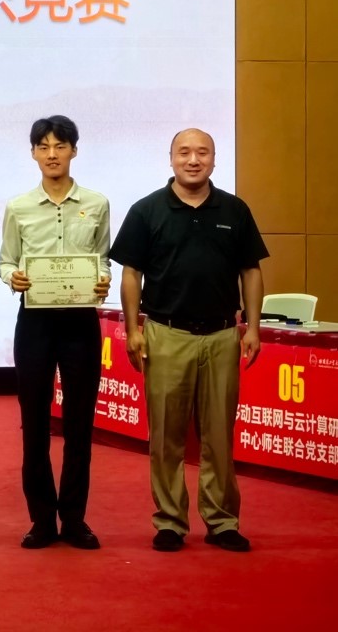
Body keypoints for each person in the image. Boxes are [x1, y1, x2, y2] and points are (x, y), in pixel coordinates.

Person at [109, 128, 267, 553]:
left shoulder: (234, 210)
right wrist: (133, 329)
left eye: (202, 152)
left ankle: (222, 521)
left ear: (214, 159)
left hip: (221, 335)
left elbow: (251, 271)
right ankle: (170, 521)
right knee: (166, 436)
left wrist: (252, 327)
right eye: (184, 152)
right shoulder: (147, 210)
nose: (193, 160)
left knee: (219, 435)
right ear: (171, 158)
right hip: (166, 333)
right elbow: (131, 274)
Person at [0, 115, 111, 550]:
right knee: (35, 422)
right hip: (36, 322)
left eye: (60, 146)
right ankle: (42, 519)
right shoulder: (19, 207)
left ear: (74, 151)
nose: (51, 154)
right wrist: (13, 277)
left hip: (80, 321)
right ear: (32, 153)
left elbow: (102, 258)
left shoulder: (96, 203)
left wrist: (102, 280)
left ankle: (75, 519)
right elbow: (6, 260)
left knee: (80, 423)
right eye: (43, 146)